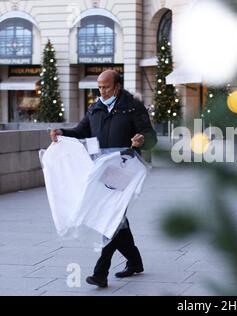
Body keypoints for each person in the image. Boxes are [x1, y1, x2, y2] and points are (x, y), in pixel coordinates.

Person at [50, 70, 157, 288]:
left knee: (111, 215)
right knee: (117, 218)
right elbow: (82, 131)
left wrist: (141, 140)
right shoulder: (95, 107)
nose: (101, 91)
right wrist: (63, 132)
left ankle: (100, 272)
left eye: (106, 87)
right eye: (99, 87)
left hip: (124, 168)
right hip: (100, 170)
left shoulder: (132, 106)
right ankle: (135, 261)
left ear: (117, 86)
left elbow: (151, 137)